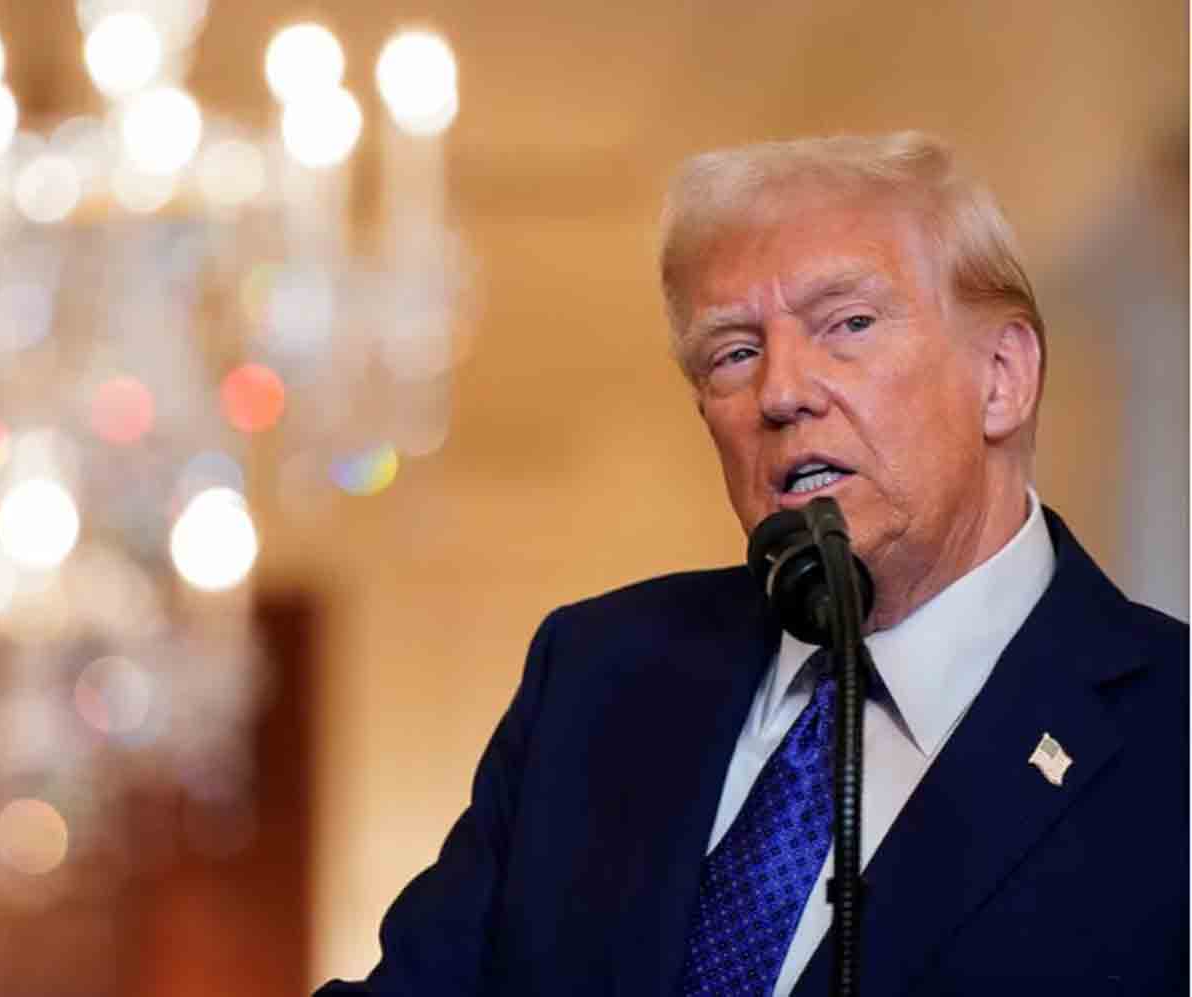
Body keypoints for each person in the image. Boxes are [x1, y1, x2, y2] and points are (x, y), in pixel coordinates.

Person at [315, 132, 1189, 996]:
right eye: (735, 352)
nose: (780, 392)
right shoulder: (594, 674)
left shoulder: (1170, 733)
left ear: (1002, 376)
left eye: (848, 324)